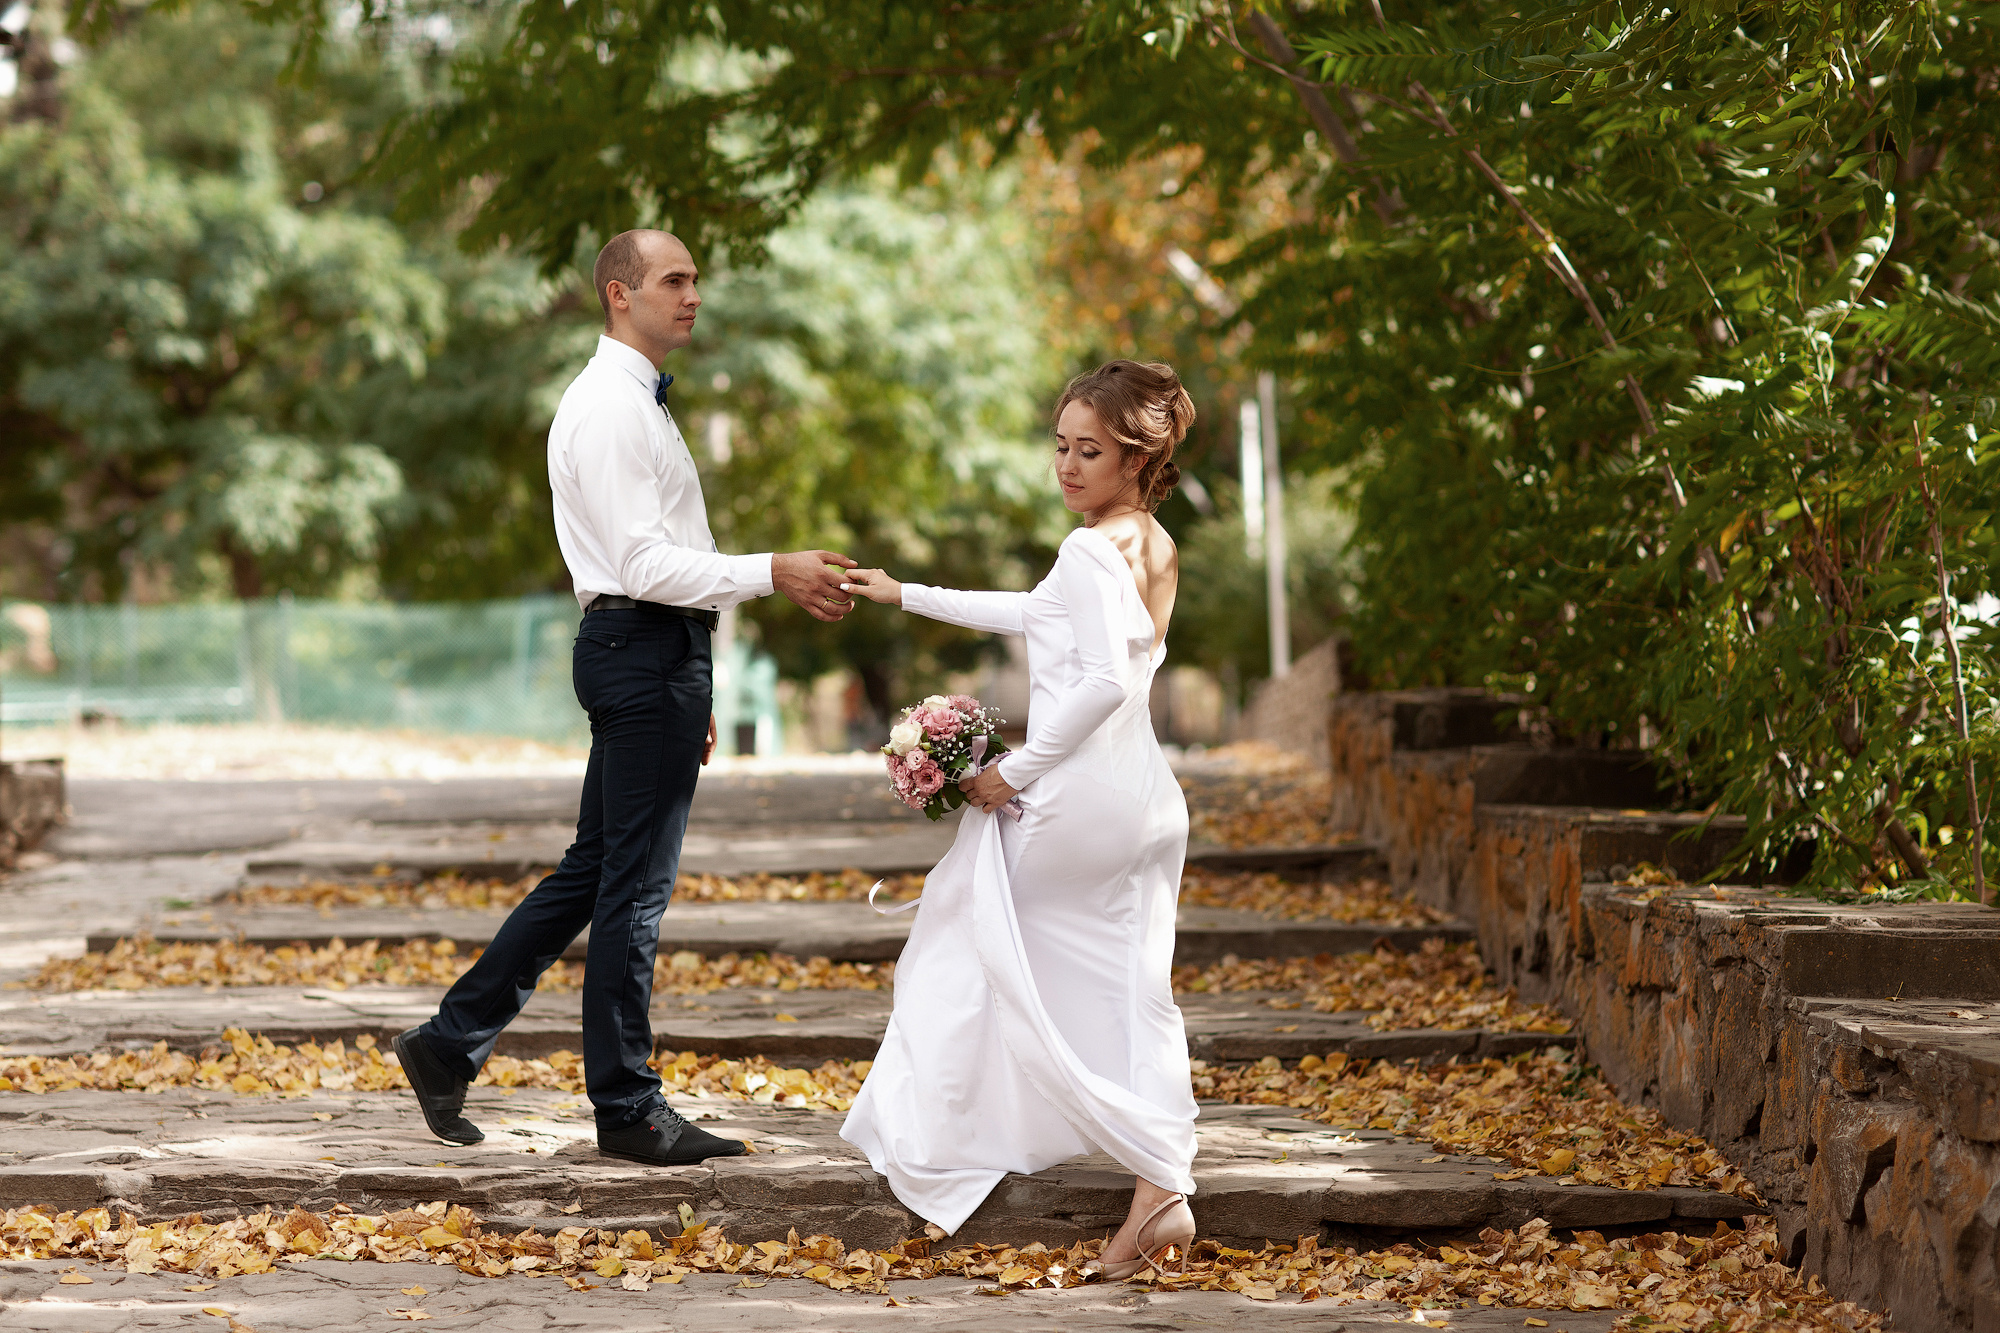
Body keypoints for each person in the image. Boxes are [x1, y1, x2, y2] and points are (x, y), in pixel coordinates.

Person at [394, 229, 859, 1166]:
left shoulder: (634, 400)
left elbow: (659, 558)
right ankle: (627, 1106)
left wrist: (695, 671)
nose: (693, 295)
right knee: (632, 892)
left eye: (695, 279)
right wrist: (770, 570)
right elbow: (644, 563)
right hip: (638, 646)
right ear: (619, 293)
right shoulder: (608, 406)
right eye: (673, 280)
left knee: (594, 868)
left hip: (656, 652)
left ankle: (448, 1043)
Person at [837, 360, 1199, 1279]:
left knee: (962, 939)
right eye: (1062, 447)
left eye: (1091, 451)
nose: (1068, 466)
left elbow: (1107, 681)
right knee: (1132, 990)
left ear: (1136, 456)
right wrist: (904, 591)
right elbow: (1034, 615)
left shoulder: (1090, 549)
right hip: (1147, 802)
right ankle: (1161, 1189)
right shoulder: (1145, 542)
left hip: (1078, 798)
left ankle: (943, 1135)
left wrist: (1014, 768)